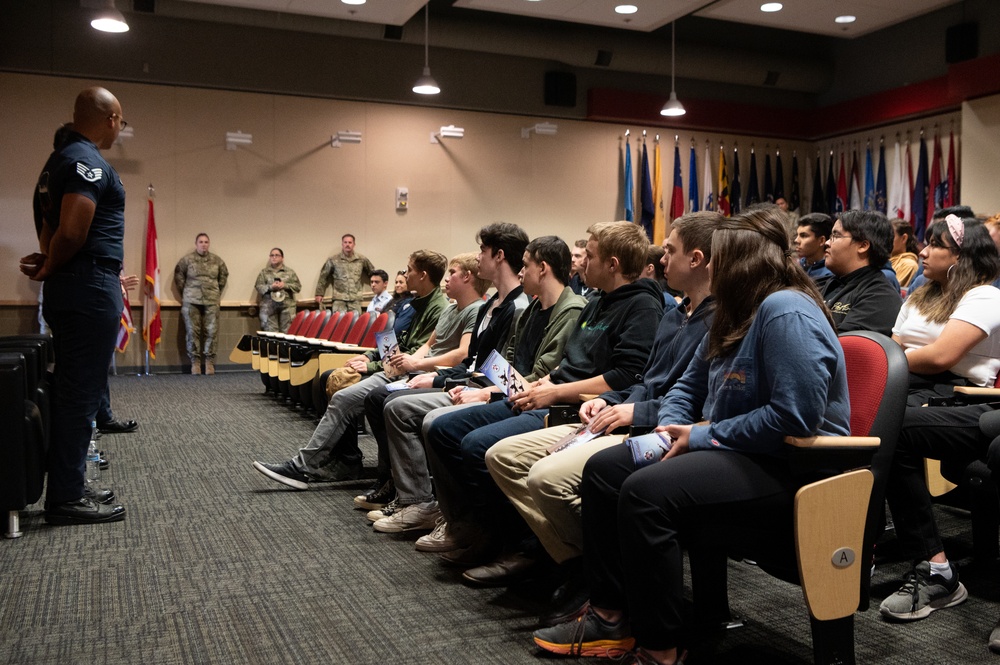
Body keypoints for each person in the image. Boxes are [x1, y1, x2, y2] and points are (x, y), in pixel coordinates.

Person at [533, 205, 851, 665]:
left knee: (645, 491)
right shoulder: (734, 311)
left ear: (741, 261)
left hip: (792, 466)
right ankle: (610, 618)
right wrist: (667, 433)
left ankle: (660, 649)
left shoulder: (785, 309)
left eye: (717, 258)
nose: (706, 267)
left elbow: (794, 419)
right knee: (605, 469)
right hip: (736, 449)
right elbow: (687, 386)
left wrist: (699, 436)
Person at [485, 211, 720, 626]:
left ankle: (597, 579)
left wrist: (630, 407)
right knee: (503, 456)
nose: (660, 259)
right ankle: (578, 564)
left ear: (698, 259)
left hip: (661, 428)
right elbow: (647, 381)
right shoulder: (673, 314)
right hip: (626, 411)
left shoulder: (713, 318)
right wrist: (609, 400)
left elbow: (694, 403)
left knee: (551, 477)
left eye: (669, 250)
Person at [424, 221, 664, 586]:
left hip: (578, 407)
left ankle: (524, 547)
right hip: (552, 395)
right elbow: (565, 365)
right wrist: (539, 385)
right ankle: (486, 530)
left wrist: (550, 392)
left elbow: (626, 375)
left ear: (613, 264)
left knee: (476, 446)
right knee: (444, 428)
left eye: (592, 256)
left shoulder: (642, 306)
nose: (581, 264)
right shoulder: (597, 302)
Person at [252, 251, 483, 487]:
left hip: (416, 372)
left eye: (408, 270)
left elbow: (454, 354)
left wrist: (392, 364)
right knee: (334, 384)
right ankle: (341, 462)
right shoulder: (420, 305)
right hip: (404, 366)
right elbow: (410, 343)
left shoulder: (442, 307)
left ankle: (308, 466)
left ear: (423, 275)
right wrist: (371, 356)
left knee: (349, 396)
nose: (403, 274)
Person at [356, 223, 530, 520]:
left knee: (401, 408)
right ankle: (410, 495)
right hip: (468, 382)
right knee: (390, 400)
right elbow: (475, 362)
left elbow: (506, 373)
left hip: (489, 392)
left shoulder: (517, 307)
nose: (478, 258)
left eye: (483, 251)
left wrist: (447, 380)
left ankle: (422, 502)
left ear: (499, 256)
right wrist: (438, 378)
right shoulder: (494, 305)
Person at [878, 215, 1000, 624]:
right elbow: (896, 346)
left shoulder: (983, 296)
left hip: (963, 396)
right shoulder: (921, 296)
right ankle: (924, 562)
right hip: (910, 387)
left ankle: (935, 569)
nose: (923, 251)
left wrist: (882, 366)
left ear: (962, 256)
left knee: (890, 426)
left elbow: (941, 357)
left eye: (935, 245)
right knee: (869, 419)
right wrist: (887, 367)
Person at [20, 86, 129, 525]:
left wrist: (50, 261)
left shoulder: (57, 161)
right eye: (119, 121)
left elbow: (48, 225)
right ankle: (65, 498)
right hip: (88, 284)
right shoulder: (86, 161)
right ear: (110, 118)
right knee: (80, 395)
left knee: (71, 390)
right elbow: (72, 230)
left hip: (74, 284)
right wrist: (51, 265)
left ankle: (68, 485)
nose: (119, 128)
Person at [821, 210, 901, 336]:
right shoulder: (823, 282)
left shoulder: (879, 297)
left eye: (835, 236)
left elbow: (837, 345)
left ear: (863, 246)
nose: (827, 243)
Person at [174, 233, 228, 375]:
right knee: (192, 331)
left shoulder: (217, 261)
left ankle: (209, 362)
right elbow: (179, 278)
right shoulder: (187, 260)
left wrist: (214, 292)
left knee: (211, 332)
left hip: (211, 300)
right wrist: (187, 293)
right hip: (191, 301)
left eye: (206, 242)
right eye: (201, 242)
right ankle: (195, 362)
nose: (203, 244)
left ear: (209, 244)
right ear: (196, 243)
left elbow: (223, 278)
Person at [314, 233, 375, 313]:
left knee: (355, 322)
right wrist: (319, 293)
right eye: (345, 242)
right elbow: (323, 276)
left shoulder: (361, 259)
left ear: (354, 244)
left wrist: (377, 288)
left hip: (355, 298)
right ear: (342, 244)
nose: (347, 245)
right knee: (339, 322)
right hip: (339, 298)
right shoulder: (333, 260)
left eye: (350, 242)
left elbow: (373, 274)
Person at [255, 247, 300, 333]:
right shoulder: (264, 272)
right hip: (269, 307)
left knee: (287, 334)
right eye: (272, 255)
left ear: (282, 258)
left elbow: (298, 287)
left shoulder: (290, 272)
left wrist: (285, 285)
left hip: (287, 307)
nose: (274, 257)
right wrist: (270, 287)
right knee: (270, 335)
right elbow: (258, 287)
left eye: (277, 255)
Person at [795, 212, 834, 285]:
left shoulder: (830, 276)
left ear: (821, 240)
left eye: (803, 236)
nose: (796, 240)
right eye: (797, 235)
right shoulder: (798, 266)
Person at [890, 219, 920, 289]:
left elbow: (889, 289)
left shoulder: (909, 265)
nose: (886, 240)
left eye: (891, 236)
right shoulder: (885, 260)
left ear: (904, 238)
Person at [386, 270, 416, 335]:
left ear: (408, 283)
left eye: (401, 282)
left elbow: (399, 327)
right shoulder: (392, 300)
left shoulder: (410, 302)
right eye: (396, 282)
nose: (397, 285)